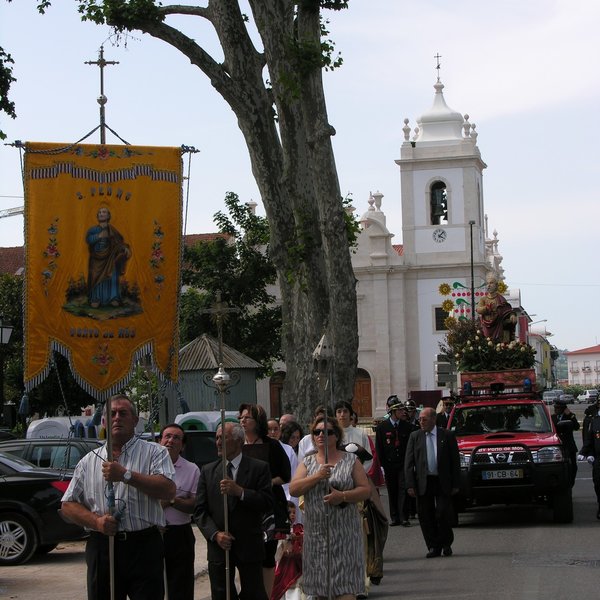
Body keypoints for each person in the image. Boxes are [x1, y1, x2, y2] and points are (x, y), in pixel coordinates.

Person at [61, 394, 176, 600]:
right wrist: (96, 521)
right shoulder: (88, 461)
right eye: (111, 414)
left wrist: (126, 475)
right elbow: (68, 504)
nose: (117, 418)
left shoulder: (155, 453)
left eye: (123, 413)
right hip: (102, 545)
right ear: (104, 422)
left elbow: (168, 490)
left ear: (134, 420)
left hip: (143, 545)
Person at [289, 415, 371, 599]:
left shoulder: (351, 460)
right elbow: (294, 489)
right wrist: (317, 476)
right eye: (317, 432)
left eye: (327, 432)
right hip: (317, 537)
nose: (321, 435)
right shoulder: (308, 462)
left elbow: (365, 490)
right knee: (321, 591)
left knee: (346, 589)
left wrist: (341, 496)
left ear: (337, 436)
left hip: (346, 534)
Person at [194, 422, 273, 600]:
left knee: (254, 594)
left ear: (239, 441)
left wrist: (241, 492)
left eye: (224, 438)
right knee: (222, 595)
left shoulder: (259, 468)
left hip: (249, 547)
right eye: (217, 438)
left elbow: (267, 502)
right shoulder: (208, 471)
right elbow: (199, 511)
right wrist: (215, 534)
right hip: (219, 548)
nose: (218, 442)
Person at [239, 403, 291, 597]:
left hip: (268, 507)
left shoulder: (272, 445)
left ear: (257, 421)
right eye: (241, 418)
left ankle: (268, 595)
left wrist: (266, 483)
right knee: (245, 556)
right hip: (243, 506)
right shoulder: (237, 444)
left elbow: (286, 475)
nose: (242, 421)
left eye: (247, 418)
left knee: (267, 556)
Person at [405, 407, 460, 558]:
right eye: (420, 419)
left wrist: (456, 483)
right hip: (424, 481)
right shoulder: (415, 436)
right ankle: (433, 546)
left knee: (442, 513)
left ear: (433, 420)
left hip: (442, 480)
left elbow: (455, 461)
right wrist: (410, 484)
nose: (421, 422)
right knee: (425, 515)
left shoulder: (447, 435)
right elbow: (409, 462)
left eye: (424, 419)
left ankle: (446, 542)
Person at [159, 423, 201, 600]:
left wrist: (171, 500)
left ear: (182, 446)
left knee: (181, 588)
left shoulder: (192, 469)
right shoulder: (146, 467)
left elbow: (195, 504)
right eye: (167, 436)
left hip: (179, 534)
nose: (171, 441)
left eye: (176, 438)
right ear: (159, 441)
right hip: (152, 533)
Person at [375, 396, 413, 526]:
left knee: (403, 489)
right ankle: (394, 517)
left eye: (403, 409)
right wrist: (382, 465)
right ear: (392, 411)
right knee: (392, 490)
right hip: (389, 464)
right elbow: (379, 448)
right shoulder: (382, 428)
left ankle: (404, 517)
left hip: (403, 464)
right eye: (399, 409)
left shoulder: (407, 427)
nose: (403, 412)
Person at [86, 206, 131, 308]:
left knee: (112, 274)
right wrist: (99, 236)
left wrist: (124, 248)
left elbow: (119, 242)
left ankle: (113, 298)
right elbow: (88, 240)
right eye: (99, 212)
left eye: (104, 212)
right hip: (96, 259)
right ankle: (95, 298)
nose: (101, 214)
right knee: (95, 277)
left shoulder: (113, 231)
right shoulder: (93, 230)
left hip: (110, 258)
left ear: (108, 216)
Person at [271, 502, 304, 600]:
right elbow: (277, 553)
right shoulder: (279, 530)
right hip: (283, 565)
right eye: (290, 512)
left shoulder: (299, 528)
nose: (293, 514)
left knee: (294, 592)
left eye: (294, 512)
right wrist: (287, 538)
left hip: (295, 566)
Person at [475, 271, 517, 342]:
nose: (488, 285)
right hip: (486, 325)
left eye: (491, 283)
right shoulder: (483, 299)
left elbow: (508, 311)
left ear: (496, 285)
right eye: (487, 283)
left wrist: (512, 315)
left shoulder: (501, 299)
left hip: (498, 326)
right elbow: (478, 309)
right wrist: (486, 308)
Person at [550, 398, 580, 487]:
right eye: (555, 408)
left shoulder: (570, 417)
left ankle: (570, 484)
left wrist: (570, 414)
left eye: (558, 408)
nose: (555, 410)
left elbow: (577, 427)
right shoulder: (552, 417)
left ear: (563, 409)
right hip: (557, 447)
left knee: (573, 467)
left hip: (569, 446)